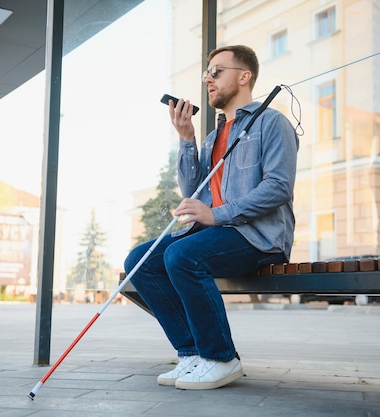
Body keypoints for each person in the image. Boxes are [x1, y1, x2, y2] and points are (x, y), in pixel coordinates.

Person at [124, 45, 298, 390]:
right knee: (140, 260)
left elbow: (279, 187)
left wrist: (218, 215)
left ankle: (221, 358)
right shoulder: (213, 135)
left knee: (182, 255)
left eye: (217, 71)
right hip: (217, 234)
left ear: (244, 76)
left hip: (258, 237)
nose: (208, 78)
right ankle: (192, 354)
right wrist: (186, 139)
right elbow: (194, 189)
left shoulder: (272, 123)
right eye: (207, 73)